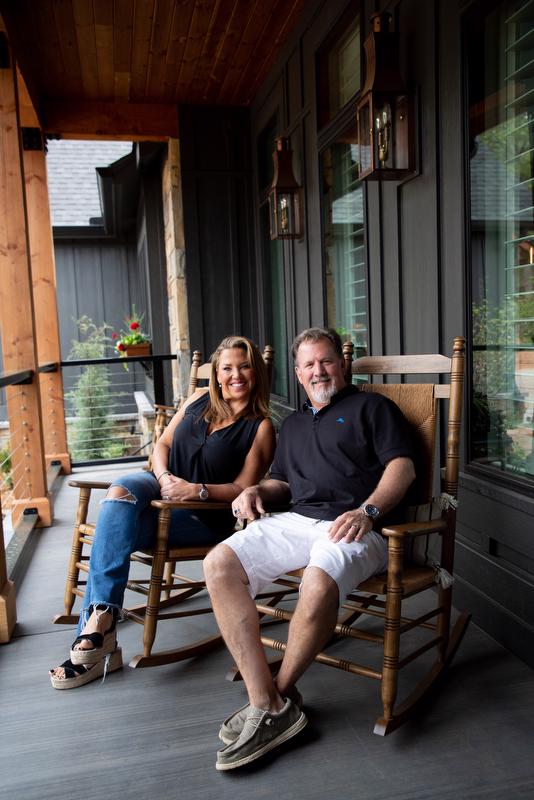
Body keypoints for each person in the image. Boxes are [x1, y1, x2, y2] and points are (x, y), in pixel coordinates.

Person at [204, 327, 416, 771]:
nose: (319, 370)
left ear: (342, 364)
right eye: (309, 364)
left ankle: (273, 698)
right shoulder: (294, 423)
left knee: (317, 583)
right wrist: (255, 491)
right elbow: (282, 482)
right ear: (298, 374)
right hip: (297, 520)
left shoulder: (373, 408)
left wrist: (368, 511)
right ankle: (269, 703)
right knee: (219, 562)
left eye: (327, 361)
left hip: (355, 526)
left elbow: (403, 467)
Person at [50, 335, 275, 689]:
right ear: (216, 374)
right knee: (120, 491)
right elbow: (163, 445)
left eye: (244, 366)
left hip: (205, 514)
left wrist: (194, 490)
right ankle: (101, 625)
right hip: (160, 485)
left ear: (256, 373)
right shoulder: (198, 400)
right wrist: (164, 476)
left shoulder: (259, 427)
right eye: (227, 368)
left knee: (112, 529)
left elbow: (243, 488)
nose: (236, 375)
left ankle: (94, 636)